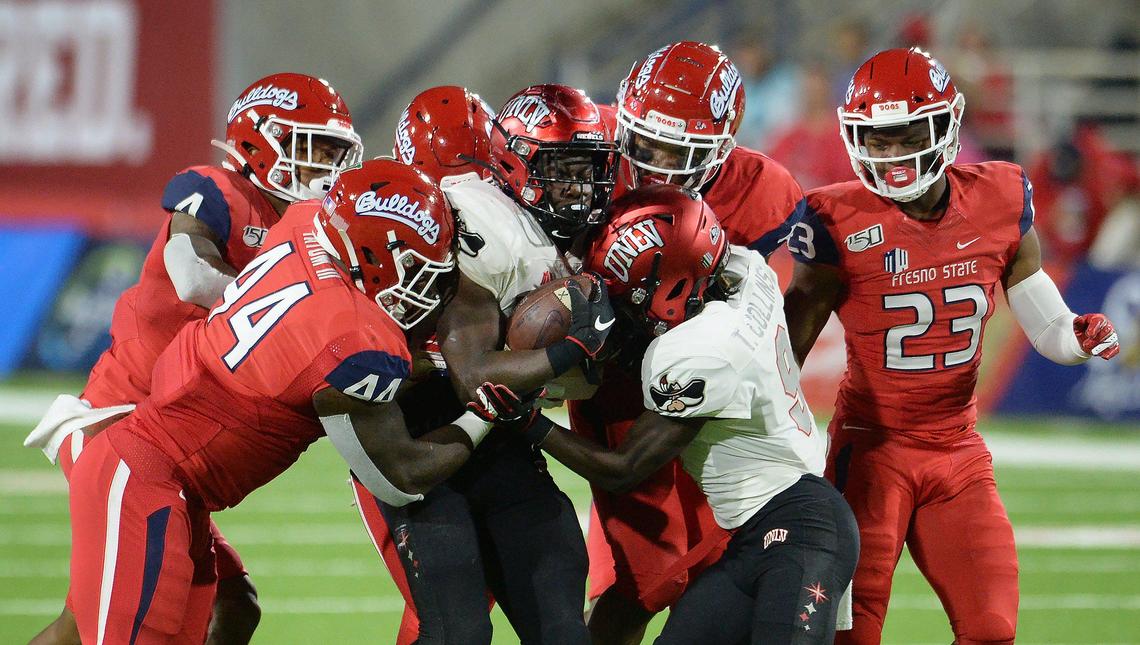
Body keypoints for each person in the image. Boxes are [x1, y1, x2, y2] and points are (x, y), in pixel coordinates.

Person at [63, 158, 491, 644]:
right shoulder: (350, 340)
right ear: (374, 253)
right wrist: (485, 410)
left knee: (232, 611)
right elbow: (403, 475)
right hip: (144, 478)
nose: (425, 284)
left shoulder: (305, 222)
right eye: (414, 265)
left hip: (175, 483)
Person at [783, 47, 1122, 644]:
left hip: (958, 454)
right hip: (870, 454)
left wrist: (1075, 337)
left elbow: (1043, 316)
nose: (888, 154)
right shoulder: (835, 218)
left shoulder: (998, 195)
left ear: (943, 126)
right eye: (875, 138)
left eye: (903, 134)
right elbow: (784, 355)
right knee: (847, 636)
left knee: (992, 629)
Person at [23, 72, 363, 645]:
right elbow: (190, 268)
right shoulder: (215, 187)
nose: (324, 169)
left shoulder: (309, 228)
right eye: (312, 149)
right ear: (260, 141)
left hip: (167, 439)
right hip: (119, 422)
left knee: (221, 605)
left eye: (334, 154)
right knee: (123, 622)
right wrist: (274, 309)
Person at [474, 184, 859, 643]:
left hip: (801, 529)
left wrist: (528, 422)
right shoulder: (745, 271)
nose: (616, 304)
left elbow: (623, 468)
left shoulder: (699, 353)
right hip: (757, 531)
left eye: (625, 292)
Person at [358, 83, 618, 644]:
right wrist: (570, 347)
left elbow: (579, 386)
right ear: (511, 162)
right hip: (418, 437)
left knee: (562, 627)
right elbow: (473, 372)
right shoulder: (477, 221)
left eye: (584, 169)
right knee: (458, 631)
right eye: (560, 168)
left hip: (503, 439)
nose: (577, 186)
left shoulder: (562, 231)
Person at [575, 40, 808, 644]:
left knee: (715, 565)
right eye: (644, 143)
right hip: (614, 381)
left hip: (706, 395)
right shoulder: (589, 143)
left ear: (723, 150)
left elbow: (766, 317)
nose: (652, 165)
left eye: (677, 152)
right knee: (645, 579)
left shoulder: (762, 191)